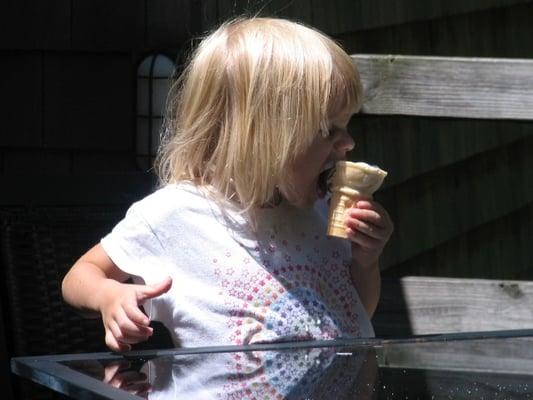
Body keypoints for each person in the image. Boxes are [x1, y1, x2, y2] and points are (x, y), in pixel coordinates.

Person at [61, 17, 393, 352]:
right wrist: (110, 296)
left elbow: (354, 316)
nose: (348, 142)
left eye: (346, 125)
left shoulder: (322, 214)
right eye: (328, 130)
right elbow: (80, 276)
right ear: (259, 136)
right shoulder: (179, 213)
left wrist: (365, 262)